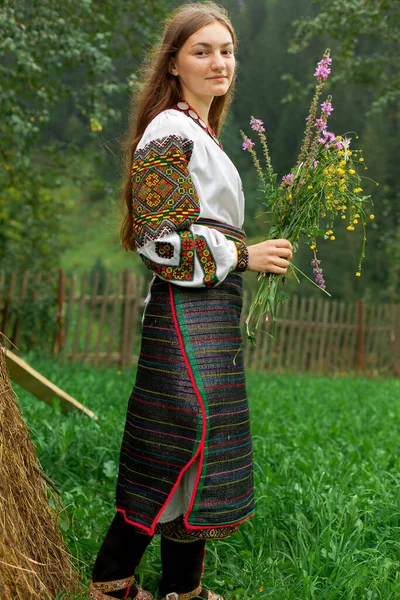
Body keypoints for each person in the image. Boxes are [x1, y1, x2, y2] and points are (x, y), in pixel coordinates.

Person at [88, 2, 292, 599]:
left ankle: (184, 590)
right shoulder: (168, 130)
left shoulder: (200, 132)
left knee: (201, 452)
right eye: (201, 51)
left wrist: (237, 258)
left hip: (213, 309)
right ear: (173, 64)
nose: (218, 61)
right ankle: (109, 583)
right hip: (183, 313)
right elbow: (159, 245)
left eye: (226, 50)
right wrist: (241, 256)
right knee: (175, 440)